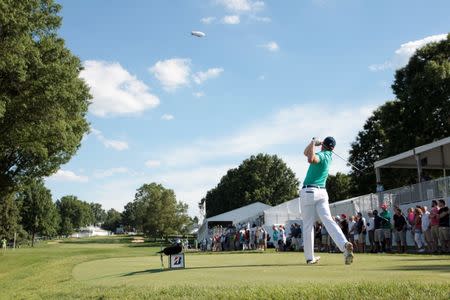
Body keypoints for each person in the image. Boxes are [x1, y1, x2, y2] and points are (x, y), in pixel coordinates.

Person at [300, 136, 353, 265]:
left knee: (307, 226)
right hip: (322, 193)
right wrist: (312, 144)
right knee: (328, 221)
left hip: (309, 192)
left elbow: (310, 158)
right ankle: (344, 245)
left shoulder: (322, 155)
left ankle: (310, 258)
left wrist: (313, 142)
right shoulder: (329, 156)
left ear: (323, 144)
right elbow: (306, 152)